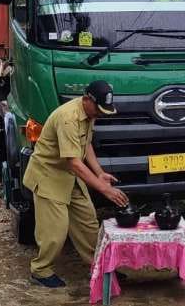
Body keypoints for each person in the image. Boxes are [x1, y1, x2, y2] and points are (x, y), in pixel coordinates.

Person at [22, 80, 129, 288]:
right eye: (98, 109)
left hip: (70, 177)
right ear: (87, 99)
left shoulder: (89, 114)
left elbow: (86, 143)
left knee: (88, 223)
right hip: (49, 176)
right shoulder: (68, 118)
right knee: (55, 231)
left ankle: (98, 267)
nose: (99, 114)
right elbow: (74, 162)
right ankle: (41, 271)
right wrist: (104, 189)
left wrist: (100, 173)